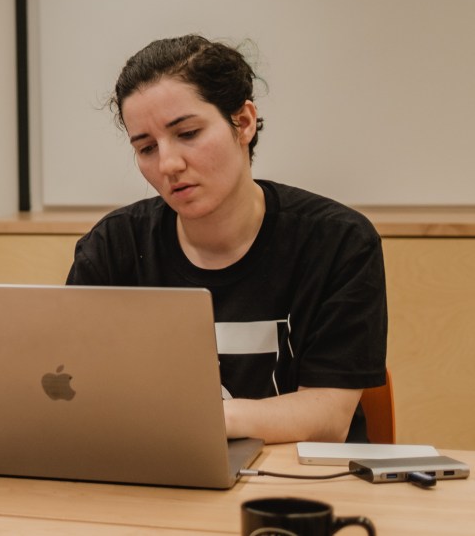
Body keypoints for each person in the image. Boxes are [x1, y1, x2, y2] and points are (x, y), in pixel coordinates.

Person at [66, 34, 386, 444]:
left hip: (299, 491)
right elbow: (76, 388)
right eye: (146, 147)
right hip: (163, 482)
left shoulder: (338, 242)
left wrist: (198, 420)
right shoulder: (114, 246)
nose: (168, 164)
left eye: (188, 133)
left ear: (244, 122)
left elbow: (327, 415)